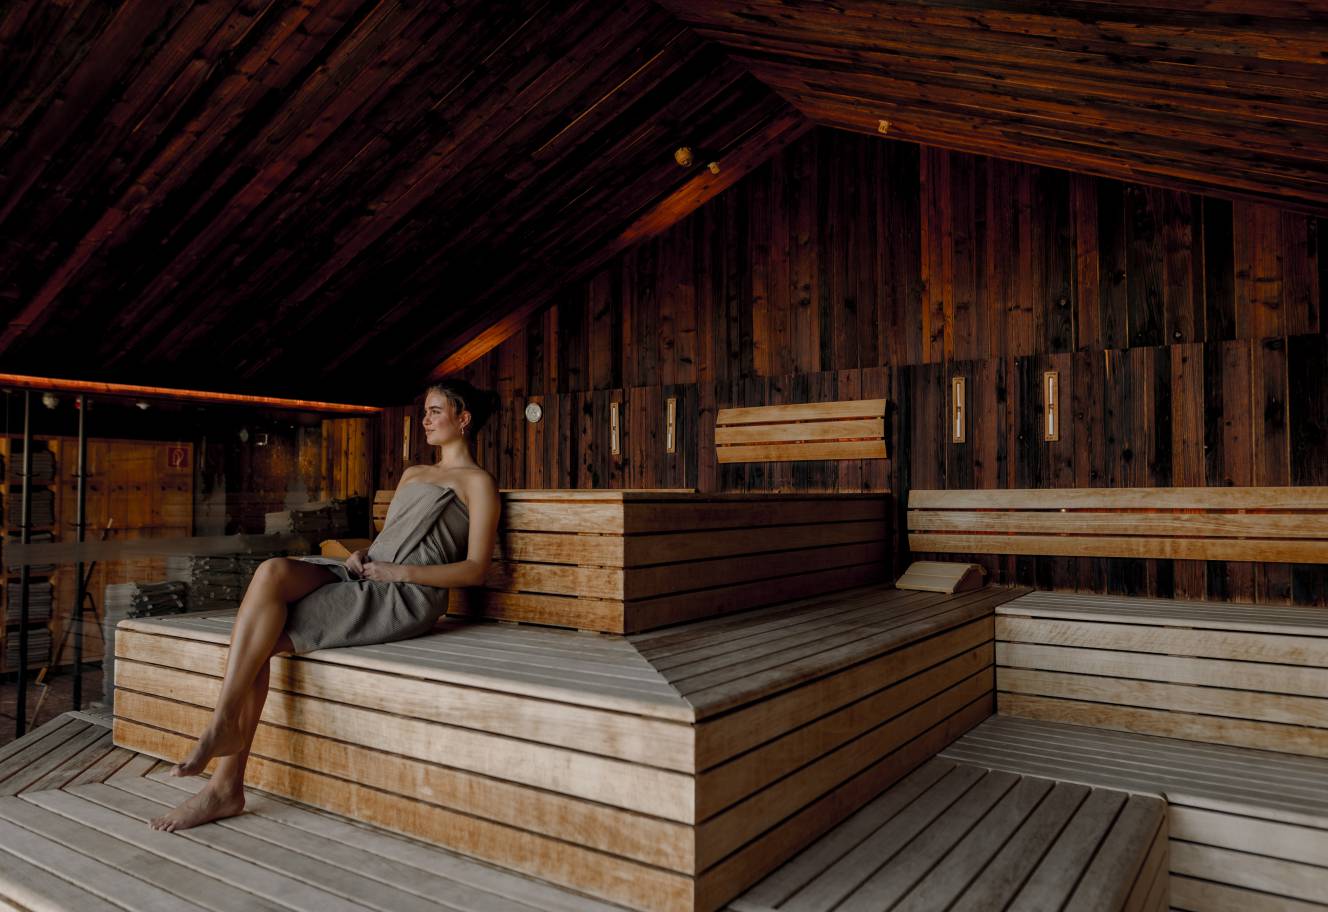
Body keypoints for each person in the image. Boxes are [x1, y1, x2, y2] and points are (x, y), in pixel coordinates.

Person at [148, 380, 501, 831]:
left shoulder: (477, 484)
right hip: (367, 572)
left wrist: (400, 573)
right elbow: (391, 541)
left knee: (262, 639)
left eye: (435, 411)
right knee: (273, 571)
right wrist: (362, 555)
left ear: (464, 419)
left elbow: (475, 569)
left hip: (401, 594)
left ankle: (224, 782)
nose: (427, 420)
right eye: (426, 411)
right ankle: (222, 732)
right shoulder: (414, 475)